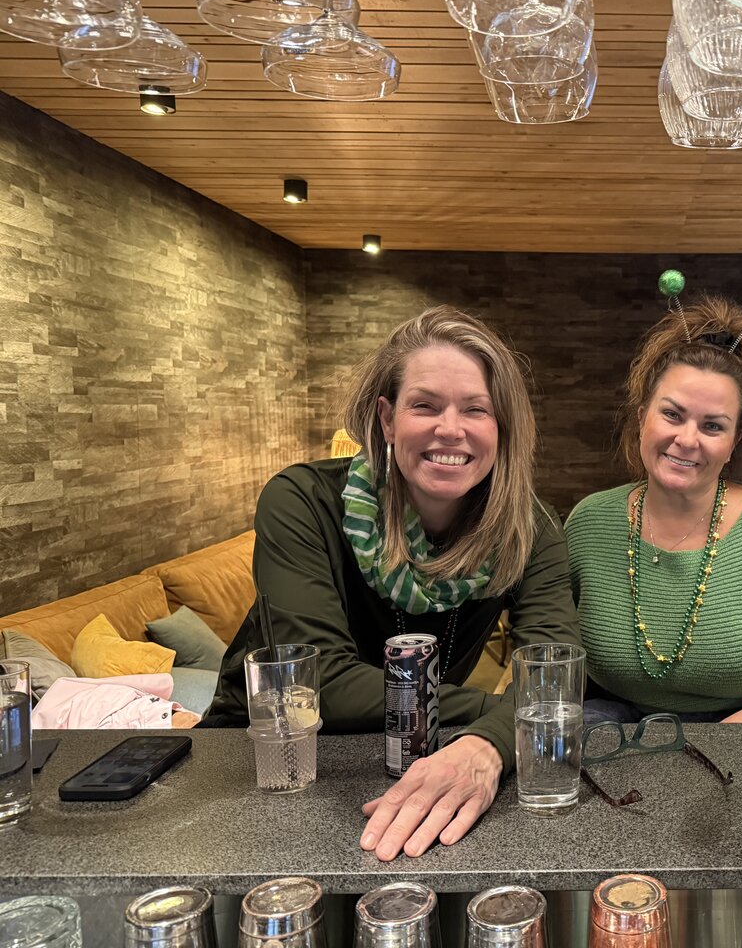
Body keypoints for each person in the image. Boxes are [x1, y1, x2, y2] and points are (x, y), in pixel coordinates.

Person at [204, 306, 579, 857]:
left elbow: (554, 671)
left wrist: (488, 745)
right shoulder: (301, 502)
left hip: (428, 753)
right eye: (424, 405)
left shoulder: (531, 528)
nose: (450, 429)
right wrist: (499, 716)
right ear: (386, 419)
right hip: (275, 759)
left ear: (501, 427)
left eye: (476, 409)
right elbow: (321, 682)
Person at [565, 282, 742, 724]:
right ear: (642, 417)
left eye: (713, 426)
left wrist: (688, 753)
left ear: (735, 441)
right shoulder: (588, 522)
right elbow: (553, 660)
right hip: (613, 737)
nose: (687, 439)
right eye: (672, 414)